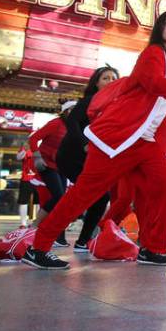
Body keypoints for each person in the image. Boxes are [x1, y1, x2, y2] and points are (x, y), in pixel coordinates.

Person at [22, 10, 166, 269]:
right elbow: (153, 84)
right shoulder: (152, 54)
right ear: (159, 30)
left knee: (165, 187)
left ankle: (151, 249)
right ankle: (38, 248)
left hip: (144, 142)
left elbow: (160, 106)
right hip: (118, 138)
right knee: (83, 194)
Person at [55, 66, 120, 251]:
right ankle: (52, 234)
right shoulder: (91, 100)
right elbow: (72, 121)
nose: (110, 81)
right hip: (71, 155)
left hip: (91, 158)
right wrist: (84, 143)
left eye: (113, 78)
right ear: (96, 83)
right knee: (85, 196)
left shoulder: (116, 105)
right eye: (105, 78)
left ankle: (82, 242)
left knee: (99, 198)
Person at [28, 100, 75, 247]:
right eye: (73, 110)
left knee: (61, 201)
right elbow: (33, 138)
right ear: (66, 111)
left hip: (60, 167)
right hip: (46, 164)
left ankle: (57, 235)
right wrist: (37, 156)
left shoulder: (74, 128)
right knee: (58, 197)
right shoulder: (56, 124)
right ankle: (35, 225)